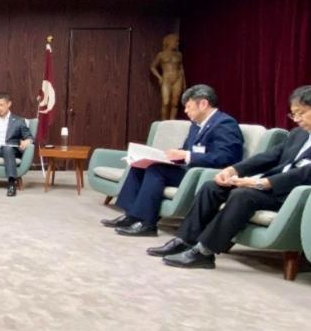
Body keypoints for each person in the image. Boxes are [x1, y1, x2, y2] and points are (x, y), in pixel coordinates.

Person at [150, 84, 311, 269]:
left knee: (243, 195)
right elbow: (271, 156)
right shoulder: (300, 134)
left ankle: (204, 252)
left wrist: (260, 183)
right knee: (212, 187)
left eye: (302, 113)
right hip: (275, 187)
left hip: (300, 195)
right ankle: (184, 240)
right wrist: (234, 170)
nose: (297, 119)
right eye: (293, 114)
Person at [102, 84, 244, 236]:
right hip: (188, 169)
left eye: (188, 107)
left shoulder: (225, 124)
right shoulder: (196, 125)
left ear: (203, 104)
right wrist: (170, 156)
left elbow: (226, 157)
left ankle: (147, 223)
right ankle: (131, 215)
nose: (186, 111)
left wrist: (186, 156)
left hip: (203, 174)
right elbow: (187, 149)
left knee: (156, 170)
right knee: (140, 165)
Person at [151, 33, 186, 121]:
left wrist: (184, 84)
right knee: (166, 102)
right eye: (176, 41)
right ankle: (163, 122)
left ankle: (172, 121)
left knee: (175, 103)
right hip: (166, 79)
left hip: (178, 79)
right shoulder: (161, 55)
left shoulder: (179, 55)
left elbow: (181, 69)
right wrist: (159, 78)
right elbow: (152, 66)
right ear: (169, 42)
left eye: (178, 42)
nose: (177, 44)